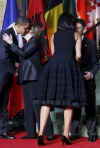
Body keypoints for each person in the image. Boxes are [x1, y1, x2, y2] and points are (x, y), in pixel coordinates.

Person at [31, 13, 87, 146]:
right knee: (69, 102)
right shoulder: (76, 35)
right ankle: (65, 135)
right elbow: (78, 56)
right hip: (69, 66)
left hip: (52, 67)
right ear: (70, 23)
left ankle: (40, 134)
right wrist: (77, 63)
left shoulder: (54, 35)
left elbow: (54, 52)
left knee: (46, 101)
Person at [3, 24, 54, 140]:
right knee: (29, 107)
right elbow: (23, 57)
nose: (24, 31)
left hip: (34, 78)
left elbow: (24, 54)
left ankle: (48, 133)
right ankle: (31, 133)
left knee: (38, 105)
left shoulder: (34, 41)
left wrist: (11, 43)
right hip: (26, 78)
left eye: (27, 29)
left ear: (31, 31)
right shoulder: (28, 43)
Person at [0, 16, 30, 139]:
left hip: (7, 73)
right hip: (2, 72)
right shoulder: (7, 34)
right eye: (26, 28)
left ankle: (1, 130)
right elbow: (3, 56)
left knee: (3, 103)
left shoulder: (15, 35)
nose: (27, 31)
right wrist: (14, 68)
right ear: (21, 26)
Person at [70, 18, 99, 142]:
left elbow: (96, 63)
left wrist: (92, 73)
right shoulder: (69, 43)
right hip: (75, 80)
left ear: (84, 30)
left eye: (78, 28)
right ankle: (74, 132)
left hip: (87, 80)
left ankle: (92, 133)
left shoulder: (91, 43)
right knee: (75, 106)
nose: (76, 30)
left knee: (90, 107)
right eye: (74, 28)